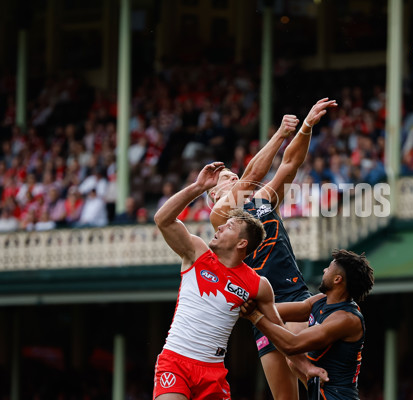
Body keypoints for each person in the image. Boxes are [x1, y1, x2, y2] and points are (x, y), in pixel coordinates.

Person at [152, 161, 325, 400]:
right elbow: (162, 219)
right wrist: (198, 186)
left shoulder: (257, 284)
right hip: (176, 361)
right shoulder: (196, 253)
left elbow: (277, 331)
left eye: (229, 226)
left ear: (242, 243)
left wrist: (305, 367)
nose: (219, 228)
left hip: (213, 372)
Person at [209, 98, 337, 399]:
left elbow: (290, 164)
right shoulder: (220, 215)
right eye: (226, 178)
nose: (233, 178)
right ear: (213, 194)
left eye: (232, 175)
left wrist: (305, 127)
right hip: (261, 311)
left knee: (313, 380)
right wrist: (280, 133)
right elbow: (251, 177)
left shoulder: (263, 200)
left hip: (292, 297)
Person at [241, 249, 375, 400]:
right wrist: (245, 300)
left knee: (293, 351)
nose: (324, 270)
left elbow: (291, 345)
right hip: (319, 394)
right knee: (294, 358)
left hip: (338, 397)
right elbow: (274, 311)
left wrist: (254, 316)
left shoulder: (346, 319)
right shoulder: (320, 300)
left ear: (337, 279)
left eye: (329, 267)